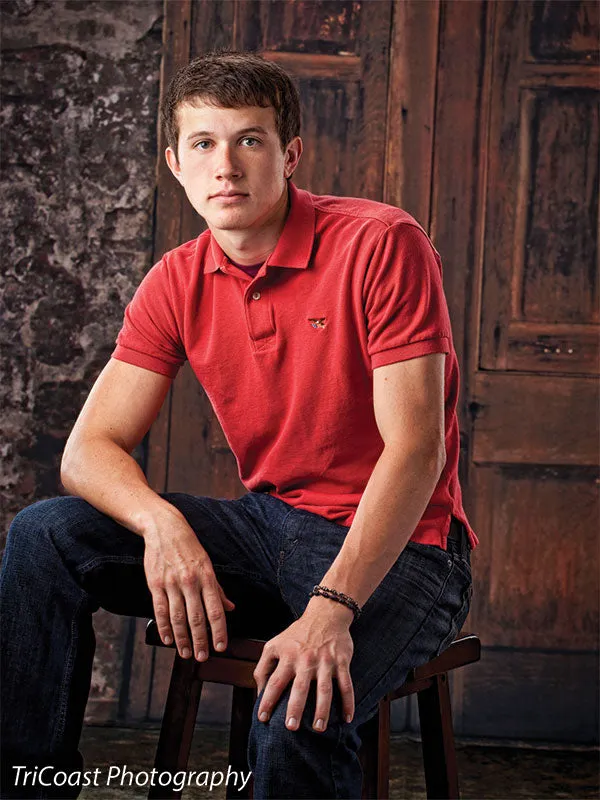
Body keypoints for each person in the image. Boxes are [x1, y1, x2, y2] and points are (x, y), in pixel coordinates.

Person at [0, 50, 477, 799]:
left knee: (298, 700)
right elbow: (87, 452)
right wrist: (161, 527)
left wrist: (332, 609)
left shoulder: (380, 244)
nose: (226, 165)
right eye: (204, 144)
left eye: (248, 140)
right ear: (176, 164)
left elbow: (415, 452)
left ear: (288, 156)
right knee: (43, 537)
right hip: (268, 527)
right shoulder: (177, 280)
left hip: (402, 548)